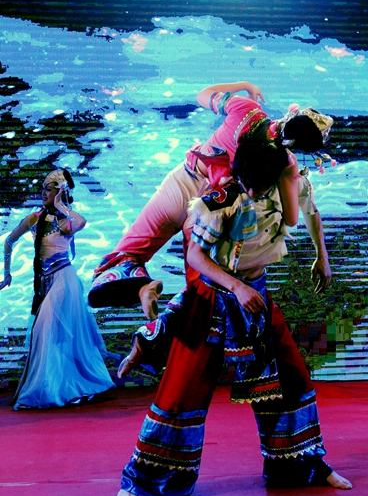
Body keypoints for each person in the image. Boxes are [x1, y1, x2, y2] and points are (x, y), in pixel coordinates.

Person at [115, 139, 351, 496]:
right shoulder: (217, 202)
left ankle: (302, 465)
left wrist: (322, 256)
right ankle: (147, 480)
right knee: (182, 388)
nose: (254, 191)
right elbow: (195, 255)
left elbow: (311, 211)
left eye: (262, 184)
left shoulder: (288, 186)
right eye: (248, 183)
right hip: (213, 299)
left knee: (291, 379)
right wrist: (236, 286)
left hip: (255, 297)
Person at [88, 81, 334, 320]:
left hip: (183, 183)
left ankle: (143, 288)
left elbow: (203, 94)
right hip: (212, 209)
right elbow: (291, 219)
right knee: (199, 290)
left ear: (292, 115)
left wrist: (243, 84)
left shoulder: (246, 109)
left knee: (126, 253)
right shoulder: (285, 164)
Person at [1, 169, 114, 409]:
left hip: (64, 280)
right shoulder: (34, 219)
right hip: (44, 282)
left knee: (47, 329)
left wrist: (61, 204)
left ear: (60, 192)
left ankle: (55, 388)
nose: (43, 193)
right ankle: (57, 386)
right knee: (47, 335)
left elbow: (81, 223)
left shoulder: (64, 221)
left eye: (49, 189)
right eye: (43, 189)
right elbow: (9, 241)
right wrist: (7, 273)